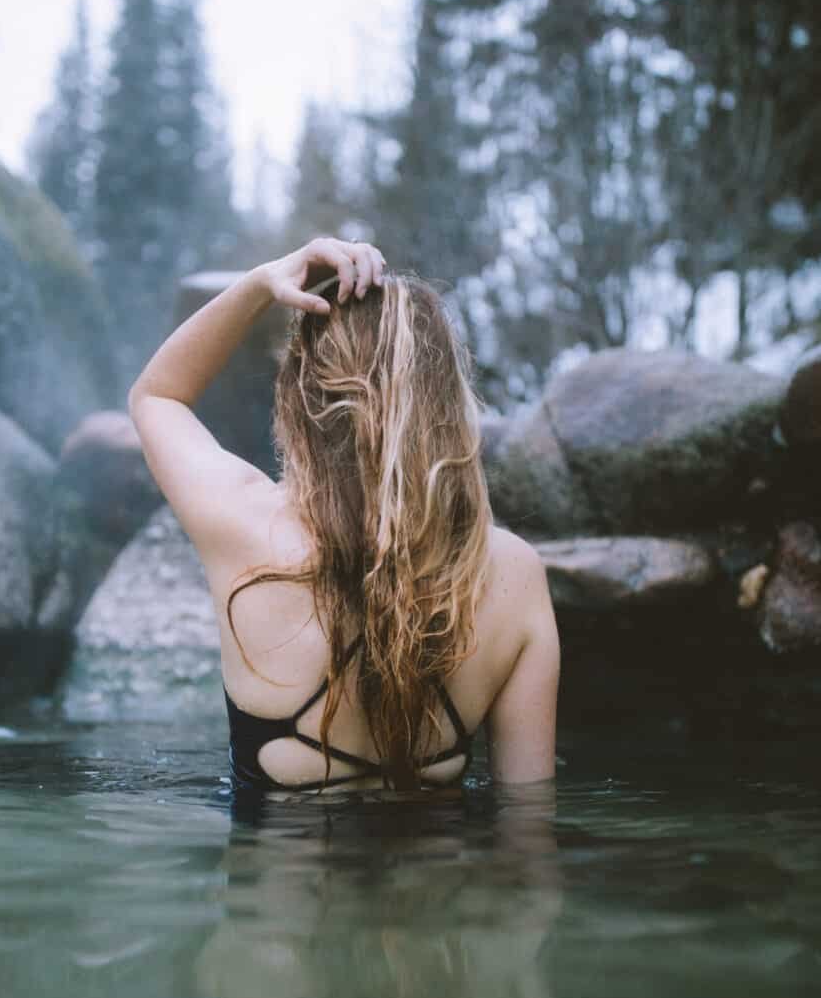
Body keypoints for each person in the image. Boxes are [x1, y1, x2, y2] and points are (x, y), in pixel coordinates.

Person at [128, 236, 559, 793]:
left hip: (281, 875)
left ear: (302, 398)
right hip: (441, 880)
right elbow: (526, 825)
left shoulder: (245, 527)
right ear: (449, 402)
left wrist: (263, 283)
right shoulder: (512, 575)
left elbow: (156, 396)